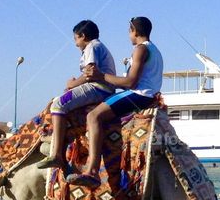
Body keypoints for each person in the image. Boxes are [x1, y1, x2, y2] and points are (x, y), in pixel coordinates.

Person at [67, 17, 163, 187]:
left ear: (134, 31)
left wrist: (100, 76)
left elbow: (130, 82)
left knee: (93, 116)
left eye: (129, 31)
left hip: (139, 95)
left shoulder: (140, 49)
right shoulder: (154, 50)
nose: (129, 35)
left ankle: (92, 171)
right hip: (145, 94)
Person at [37, 20, 116, 170]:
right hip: (102, 87)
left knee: (58, 104)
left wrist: (72, 84)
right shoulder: (98, 46)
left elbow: (89, 73)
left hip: (98, 88)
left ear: (83, 36)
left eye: (76, 39)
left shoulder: (92, 46)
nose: (75, 44)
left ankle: (56, 155)